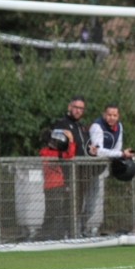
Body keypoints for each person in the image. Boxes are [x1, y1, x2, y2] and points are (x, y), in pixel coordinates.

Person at [51, 95, 98, 237]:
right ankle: (65, 232)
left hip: (85, 171)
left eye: (81, 108)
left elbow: (86, 147)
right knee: (68, 203)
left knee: (82, 203)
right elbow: (57, 147)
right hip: (69, 172)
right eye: (76, 107)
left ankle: (75, 231)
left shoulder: (82, 127)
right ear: (69, 107)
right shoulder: (61, 124)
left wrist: (92, 151)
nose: (78, 111)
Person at [85, 104, 135, 236]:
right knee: (81, 200)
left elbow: (117, 149)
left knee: (94, 202)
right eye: (109, 114)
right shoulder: (97, 126)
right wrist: (121, 154)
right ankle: (75, 230)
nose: (111, 117)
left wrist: (122, 156)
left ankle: (84, 230)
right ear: (103, 114)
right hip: (85, 169)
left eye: (114, 115)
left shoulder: (119, 127)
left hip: (99, 170)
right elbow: (98, 151)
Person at [39, 128, 76, 240]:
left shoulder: (51, 151)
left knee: (55, 211)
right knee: (55, 212)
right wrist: (71, 139)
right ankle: (54, 236)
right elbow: (69, 154)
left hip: (58, 185)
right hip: (51, 186)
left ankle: (48, 235)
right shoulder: (46, 152)